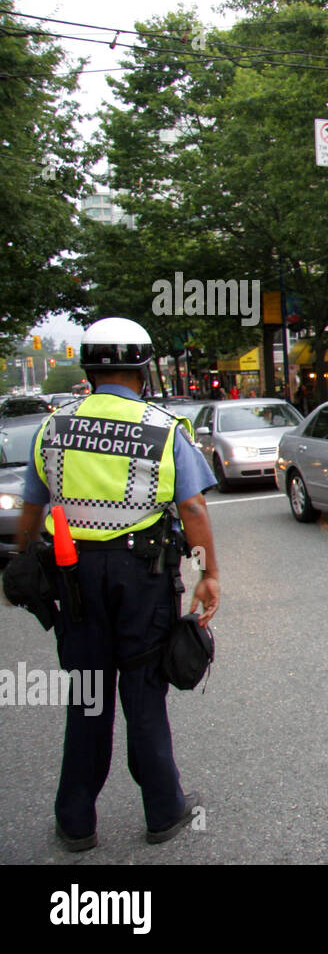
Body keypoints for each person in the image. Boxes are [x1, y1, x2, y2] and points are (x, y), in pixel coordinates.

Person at [14, 317, 219, 850]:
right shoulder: (162, 428)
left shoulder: (53, 427)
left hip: (74, 578)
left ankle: (76, 823)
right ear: (144, 370)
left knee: (86, 696)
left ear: (88, 367)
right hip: (141, 577)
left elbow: (33, 507)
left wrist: (21, 559)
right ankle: (163, 811)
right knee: (143, 692)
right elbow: (192, 505)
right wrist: (208, 573)